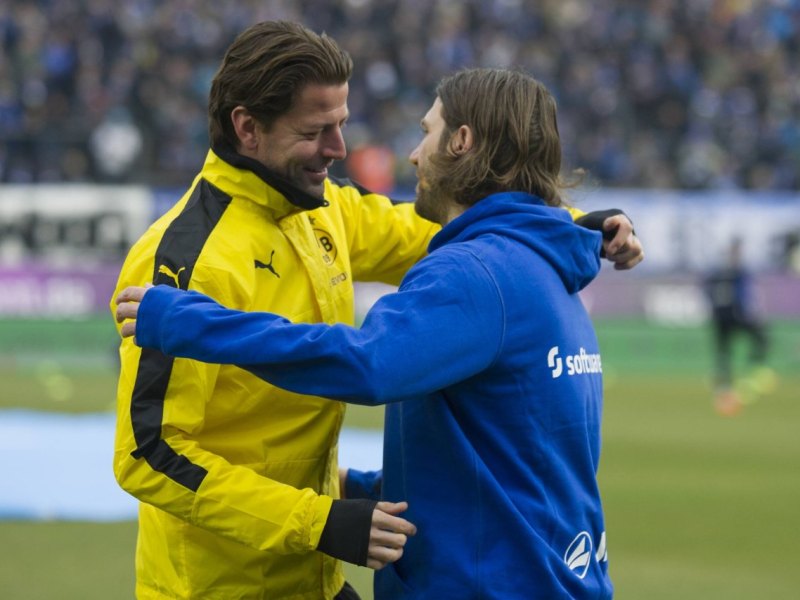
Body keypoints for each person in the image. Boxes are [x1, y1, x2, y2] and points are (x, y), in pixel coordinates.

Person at [111, 20, 642, 600]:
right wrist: (316, 520)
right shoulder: (183, 264)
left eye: (341, 125)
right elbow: (146, 455)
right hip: (224, 585)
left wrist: (575, 230)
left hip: (314, 571)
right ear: (248, 128)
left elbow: (461, 235)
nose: (339, 149)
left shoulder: (327, 211)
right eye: (317, 131)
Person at [704, 237, 774, 415]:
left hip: (721, 317)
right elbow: (745, 294)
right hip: (735, 315)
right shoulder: (736, 273)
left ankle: (728, 383)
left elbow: (707, 291)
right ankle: (750, 376)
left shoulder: (716, 273)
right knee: (757, 339)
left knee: (725, 350)